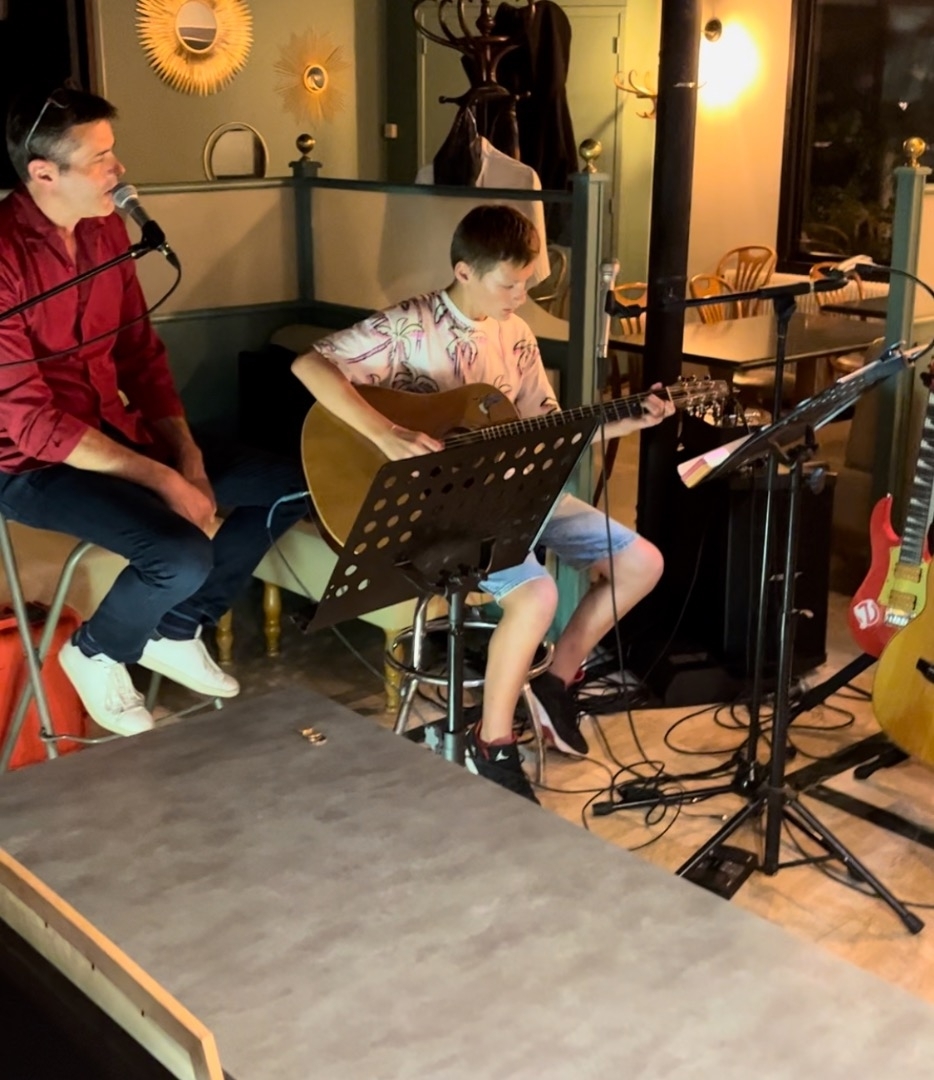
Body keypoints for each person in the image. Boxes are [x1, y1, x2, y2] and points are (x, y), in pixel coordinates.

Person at [291, 204, 673, 802]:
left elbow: (549, 428)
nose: (520, 297)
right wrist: (387, 434)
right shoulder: (410, 325)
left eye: (527, 283)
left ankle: (555, 683)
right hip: (438, 510)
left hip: (512, 492)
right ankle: (491, 740)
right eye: (509, 284)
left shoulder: (515, 334)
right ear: (464, 271)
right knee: (537, 595)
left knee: (641, 562)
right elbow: (309, 365)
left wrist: (629, 419)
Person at [0, 88, 307, 737]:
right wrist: (164, 479)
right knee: (181, 555)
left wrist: (187, 456)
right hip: (30, 467)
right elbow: (32, 423)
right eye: (101, 159)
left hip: (116, 432)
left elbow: (140, 355)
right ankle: (96, 650)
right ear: (44, 174)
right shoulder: (4, 256)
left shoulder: (108, 230)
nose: (119, 170)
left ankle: (175, 626)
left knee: (291, 487)